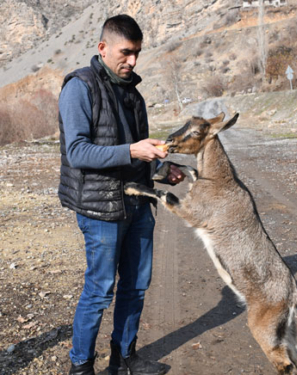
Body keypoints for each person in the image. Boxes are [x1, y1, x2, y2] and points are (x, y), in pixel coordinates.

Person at [58, 14, 184, 375]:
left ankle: (124, 357)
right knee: (99, 291)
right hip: (100, 210)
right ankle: (80, 366)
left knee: (137, 286)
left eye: (137, 54)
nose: (132, 61)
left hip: (138, 202)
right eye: (126, 53)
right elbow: (78, 153)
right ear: (103, 47)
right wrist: (132, 151)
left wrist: (161, 169)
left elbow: (136, 151)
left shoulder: (134, 93)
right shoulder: (79, 88)